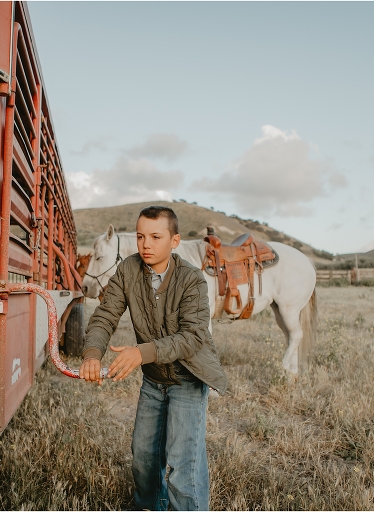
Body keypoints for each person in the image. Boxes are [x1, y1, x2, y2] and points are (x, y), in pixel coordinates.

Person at [80, 205, 227, 511]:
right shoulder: (128, 270)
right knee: (144, 457)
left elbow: (193, 337)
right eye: (140, 236)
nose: (146, 244)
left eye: (156, 237)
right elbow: (105, 315)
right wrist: (93, 354)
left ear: (174, 241)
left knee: (181, 467)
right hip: (154, 380)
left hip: (188, 379)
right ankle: (148, 506)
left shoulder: (192, 280)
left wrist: (141, 352)